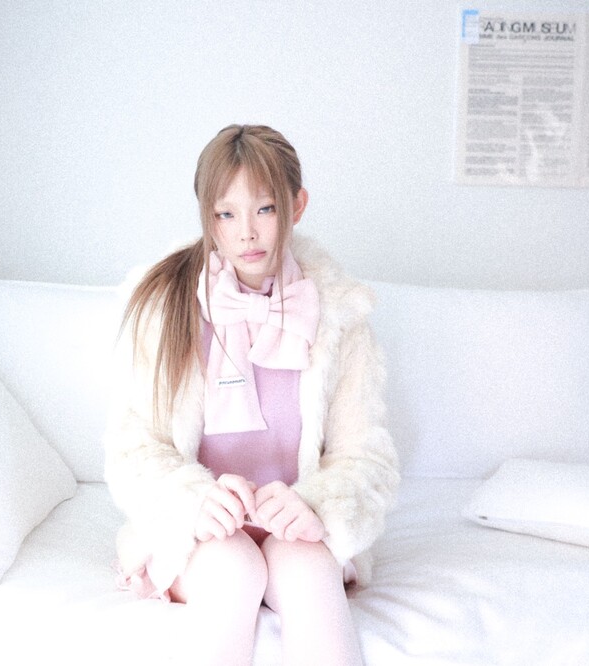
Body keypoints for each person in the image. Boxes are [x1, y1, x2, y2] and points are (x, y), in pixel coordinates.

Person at [104, 124, 399, 666]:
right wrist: (194, 501)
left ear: (297, 205)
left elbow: (366, 457)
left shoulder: (338, 312)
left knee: (307, 569)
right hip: (202, 530)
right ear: (206, 215)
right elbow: (133, 449)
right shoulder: (164, 304)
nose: (246, 233)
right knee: (233, 568)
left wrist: (318, 505)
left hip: (295, 524)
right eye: (226, 214)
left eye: (265, 209)